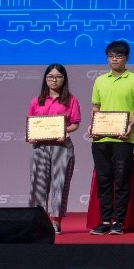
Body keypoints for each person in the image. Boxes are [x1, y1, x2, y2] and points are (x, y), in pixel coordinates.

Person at [89, 40, 134, 235]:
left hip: (123, 138)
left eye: (119, 56)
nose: (114, 59)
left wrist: (130, 124)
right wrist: (94, 124)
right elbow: (96, 106)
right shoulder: (100, 80)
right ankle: (105, 220)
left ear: (127, 58)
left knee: (121, 180)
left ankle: (118, 222)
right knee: (103, 180)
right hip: (101, 138)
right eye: (111, 56)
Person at [27, 63, 81, 234]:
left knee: (60, 183)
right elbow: (31, 123)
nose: (54, 80)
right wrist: (31, 135)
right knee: (38, 184)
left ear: (64, 79)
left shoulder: (71, 100)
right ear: (45, 79)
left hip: (62, 146)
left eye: (58, 77)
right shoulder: (37, 100)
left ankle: (56, 221)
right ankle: (37, 221)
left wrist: (65, 131)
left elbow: (75, 123)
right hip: (40, 146)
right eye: (50, 76)